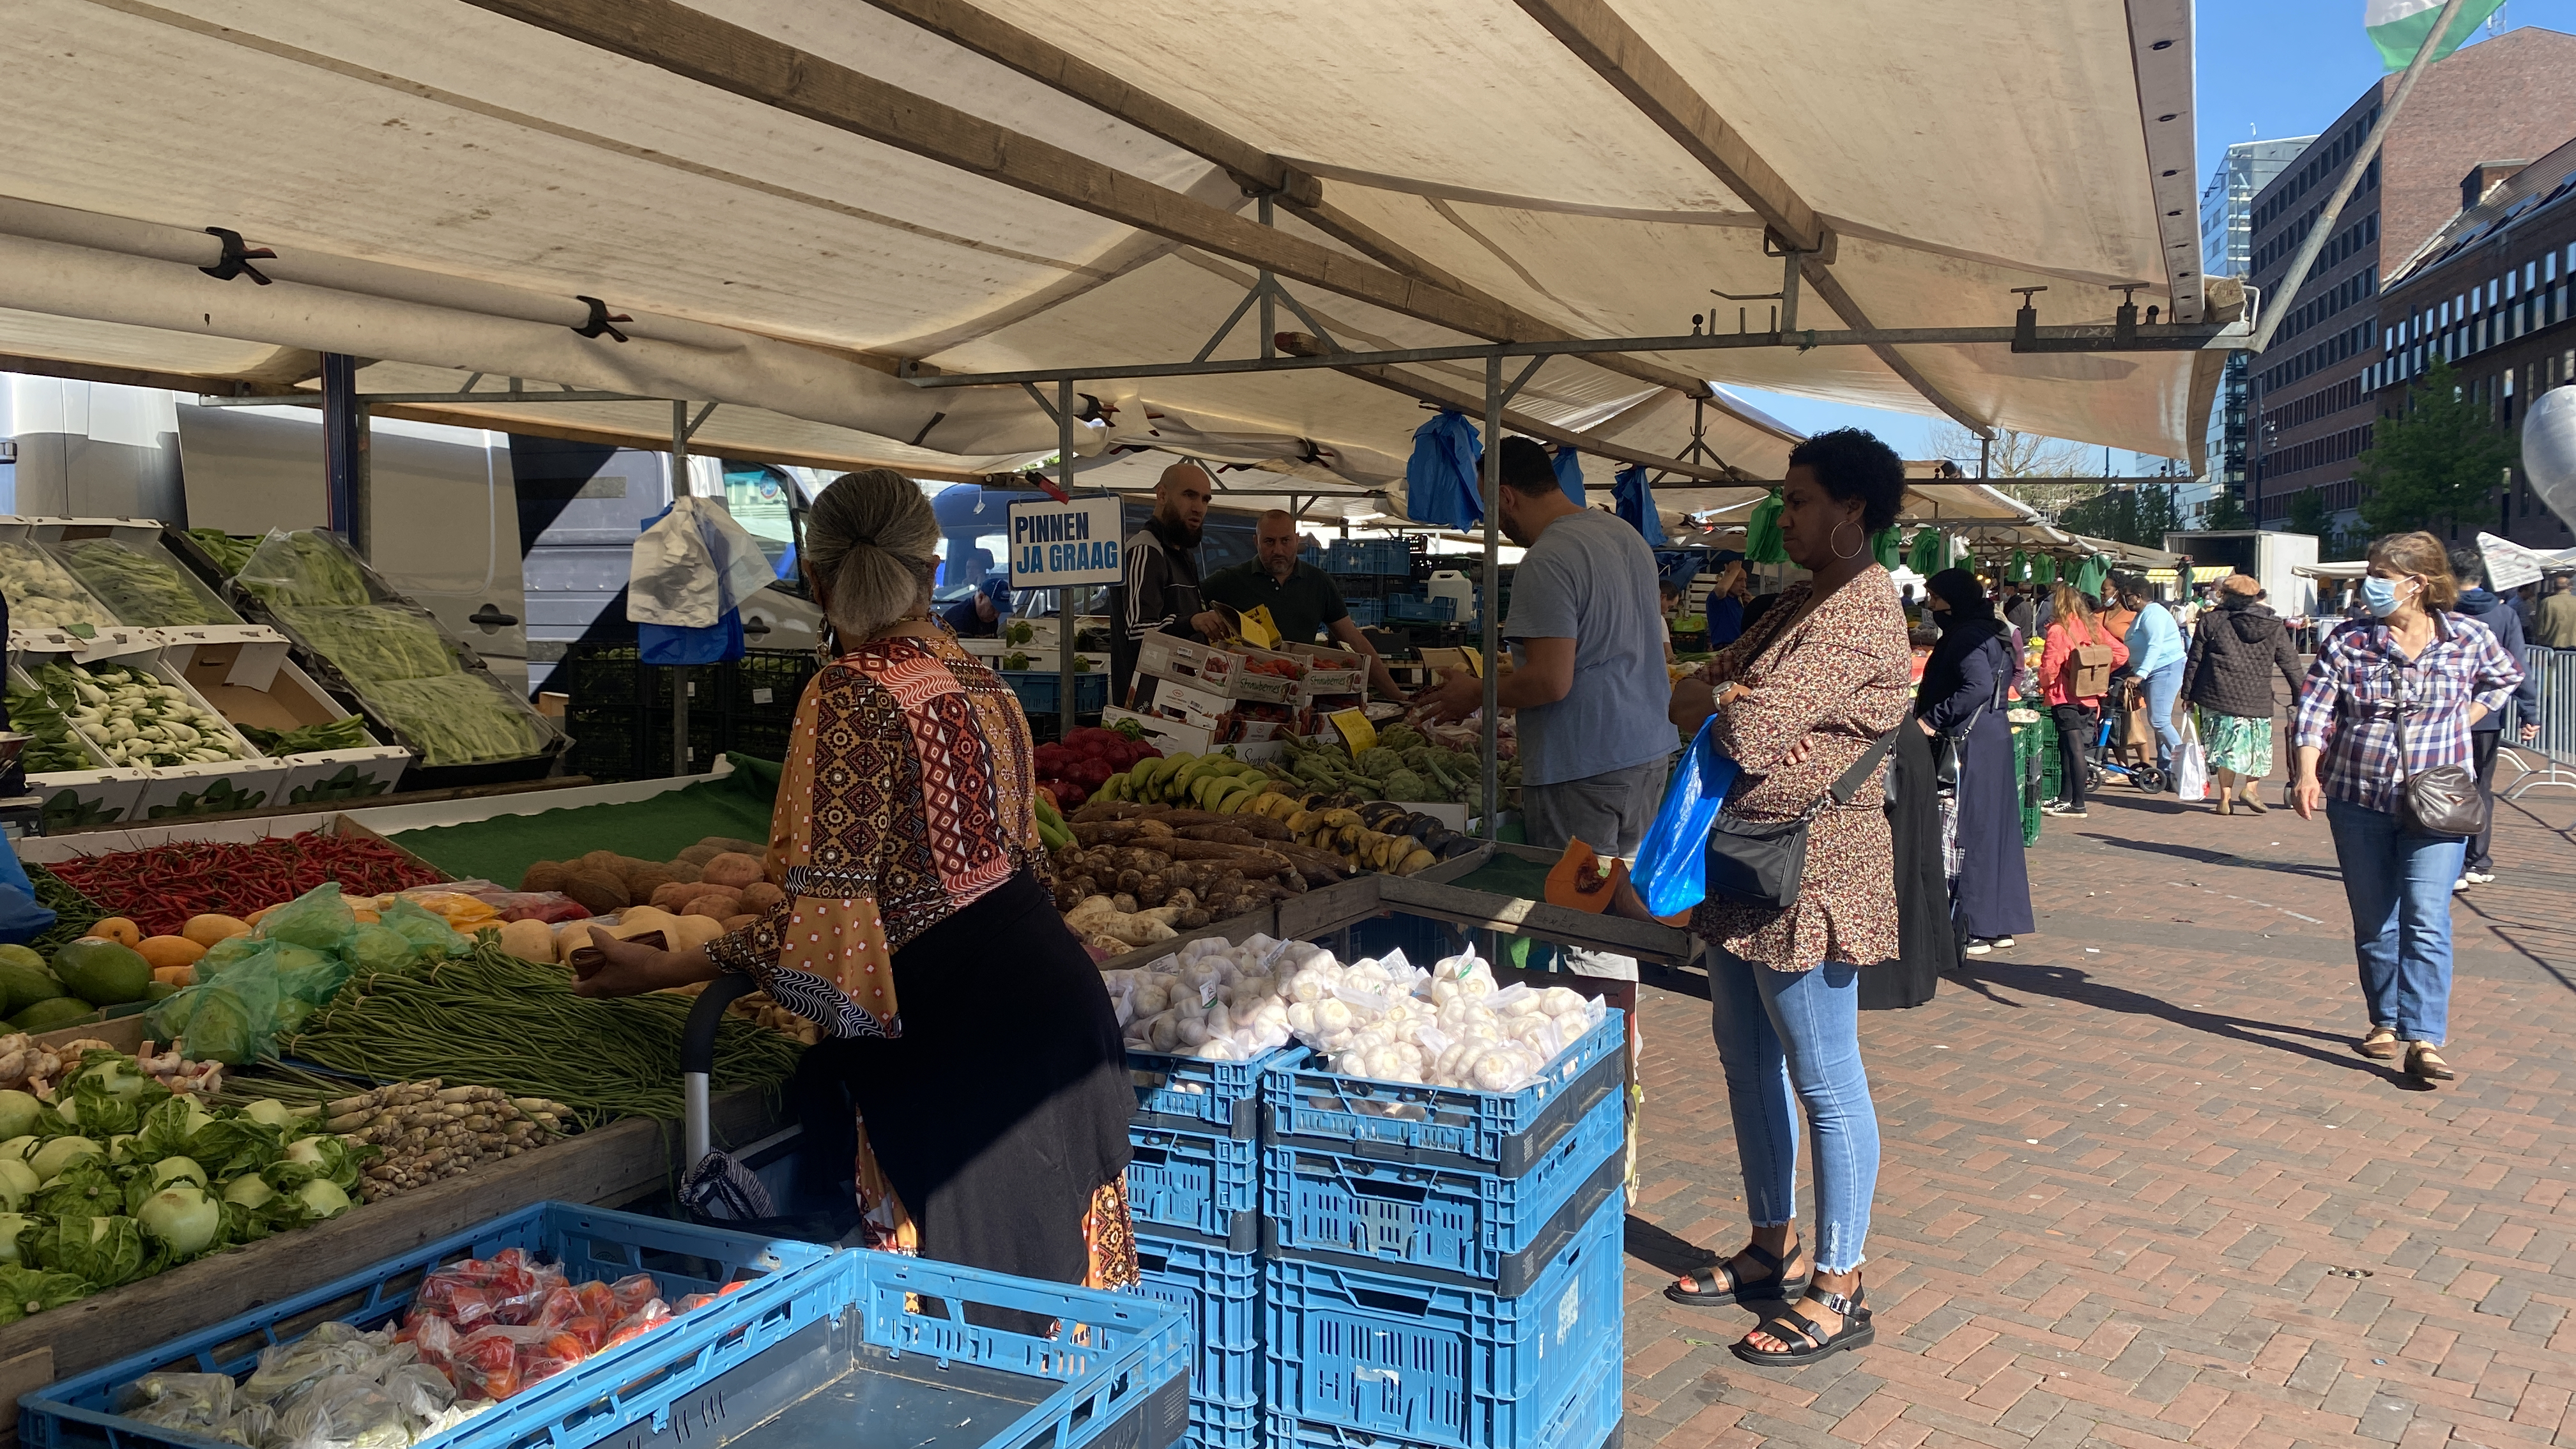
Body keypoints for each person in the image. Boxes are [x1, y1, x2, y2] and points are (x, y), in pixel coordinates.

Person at [581, 468, 1138, 1287]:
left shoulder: (848, 695)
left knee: (969, 1321)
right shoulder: (987, 687)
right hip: (1059, 1014)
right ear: (934, 569)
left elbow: (826, 930)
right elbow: (1024, 866)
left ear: (814, 580)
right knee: (1068, 1308)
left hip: (961, 1051)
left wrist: (668, 968)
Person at [1642, 427, 1909, 1367]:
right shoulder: (1803, 601)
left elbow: (1744, 732)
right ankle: (1771, 1245)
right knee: (1745, 1058)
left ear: (1853, 513)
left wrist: (1735, 706)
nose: (1782, 517)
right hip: (1746, 860)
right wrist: (1731, 702)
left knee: (1825, 1076)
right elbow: (1699, 694)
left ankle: (1843, 1280)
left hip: (1813, 871)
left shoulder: (1864, 611)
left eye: (1798, 503)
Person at [1420, 438, 1670, 978]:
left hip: (1584, 765)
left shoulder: (1549, 557)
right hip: (1644, 754)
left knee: (1586, 924)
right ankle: (1621, 1036)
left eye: (1491, 510)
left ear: (1506, 496)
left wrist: (1476, 692)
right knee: (1620, 911)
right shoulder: (1624, 536)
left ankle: (1604, 1047)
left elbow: (1551, 681)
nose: (1495, 524)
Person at [2292, 532, 2522, 1086]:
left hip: (2438, 801)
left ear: (2418, 583)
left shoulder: (2467, 636)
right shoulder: (2350, 640)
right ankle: (2386, 1020)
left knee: (2427, 915)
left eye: (2379, 575)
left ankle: (2424, 1037)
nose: (2369, 585)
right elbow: (2316, 708)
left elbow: (2507, 675)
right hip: (2359, 796)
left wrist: (2469, 715)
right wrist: (2305, 769)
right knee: (2376, 921)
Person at [1917, 568, 2033, 956]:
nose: (1931, 606)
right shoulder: (1988, 629)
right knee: (1994, 827)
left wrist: (1931, 720)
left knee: (1969, 828)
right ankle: (1999, 922)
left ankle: (1976, 922)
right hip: (1991, 735)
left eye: (1935, 598)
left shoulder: (1966, 635)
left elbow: (1977, 685)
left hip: (1971, 741)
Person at [1200, 509, 1407, 700]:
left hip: (1300, 698)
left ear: (1297, 539)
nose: (1278, 550)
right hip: (1241, 697)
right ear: (1256, 541)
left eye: (1286, 541)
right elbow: (1185, 608)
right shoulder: (1230, 580)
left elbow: (1355, 641)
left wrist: (1397, 697)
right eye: (1269, 542)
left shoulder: (1319, 582)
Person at [2447, 545, 2542, 886]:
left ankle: (2452, 864)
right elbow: (2519, 666)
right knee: (2482, 787)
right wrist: (2529, 711)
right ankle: (2478, 860)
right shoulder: (2504, 615)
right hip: (2488, 713)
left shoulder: (2442, 611)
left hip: (2446, 713)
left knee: (2449, 785)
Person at [2182, 573, 2303, 815]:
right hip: (2256, 696)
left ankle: (2224, 798)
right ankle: (2251, 789)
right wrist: (2300, 695)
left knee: (2226, 747)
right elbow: (2291, 663)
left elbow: (2195, 659)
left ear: (2226, 596)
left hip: (2218, 694)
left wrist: (2188, 693)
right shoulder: (2273, 625)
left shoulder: (2212, 621)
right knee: (2256, 744)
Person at [1112, 463, 1230, 708]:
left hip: (1181, 699)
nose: (1199, 508)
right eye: (1189, 495)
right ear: (1162, 495)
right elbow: (1137, 632)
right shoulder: (1146, 549)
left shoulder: (1182, 553)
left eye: (1206, 499)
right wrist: (1192, 622)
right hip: (1147, 705)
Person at [2039, 583, 2127, 820]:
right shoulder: (2091, 625)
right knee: (2070, 748)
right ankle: (2065, 798)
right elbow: (2121, 654)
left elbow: (2050, 666)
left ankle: (2078, 803)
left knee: (2074, 749)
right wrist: (2098, 672)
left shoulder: (2059, 630)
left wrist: (2044, 684)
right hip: (2090, 697)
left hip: (2064, 695)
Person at [2120, 576, 2186, 785]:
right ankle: (2167, 769)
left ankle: (2187, 764)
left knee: (2159, 720)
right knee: (2159, 722)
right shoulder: (2143, 614)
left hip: (2164, 669)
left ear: (2138, 597)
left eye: (2128, 596)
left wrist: (2141, 675)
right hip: (2153, 671)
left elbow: (2155, 646)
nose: (2125, 599)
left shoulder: (2153, 613)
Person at [937, 576, 1011, 639]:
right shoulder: (960, 620)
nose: (997, 615)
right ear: (981, 597)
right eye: (993, 608)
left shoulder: (990, 618)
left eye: (1000, 611)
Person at [1706, 558, 1749, 648]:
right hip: (1724, 649)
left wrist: (1749, 607)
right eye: (1739, 580)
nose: (1744, 585)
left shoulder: (1739, 602)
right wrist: (1734, 571)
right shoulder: (1717, 600)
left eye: (1745, 580)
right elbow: (1722, 589)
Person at [2537, 570, 2576, 648]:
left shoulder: (2547, 602)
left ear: (2554, 587)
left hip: (2552, 645)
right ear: (2570, 587)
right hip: (2574, 646)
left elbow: (2541, 628)